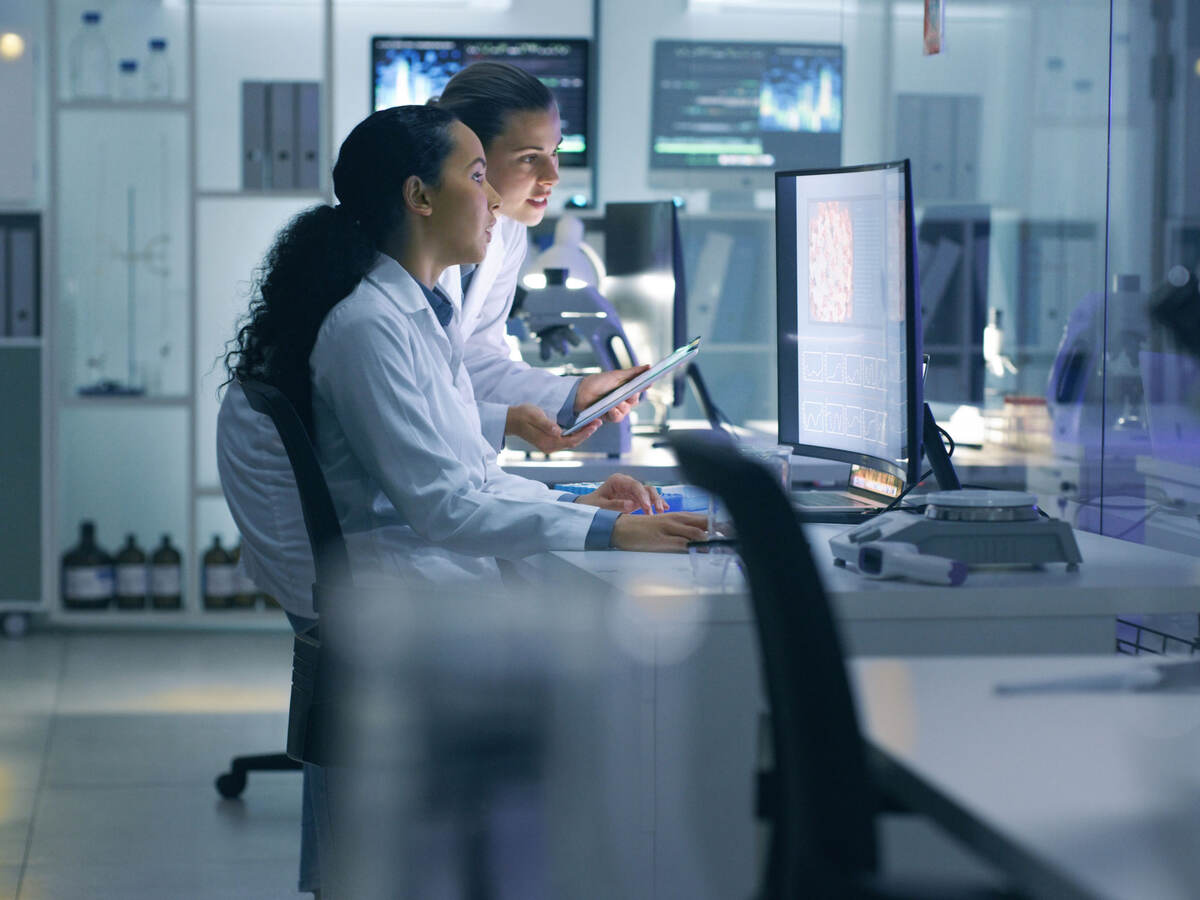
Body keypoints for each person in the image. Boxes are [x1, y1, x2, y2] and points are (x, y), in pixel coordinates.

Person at [430, 61, 645, 454]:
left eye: (555, 152)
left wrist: (574, 393)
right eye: (530, 157)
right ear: (468, 155)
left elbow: (475, 361)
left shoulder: (508, 231)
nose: (552, 175)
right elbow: (416, 407)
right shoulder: (402, 254)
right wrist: (508, 422)